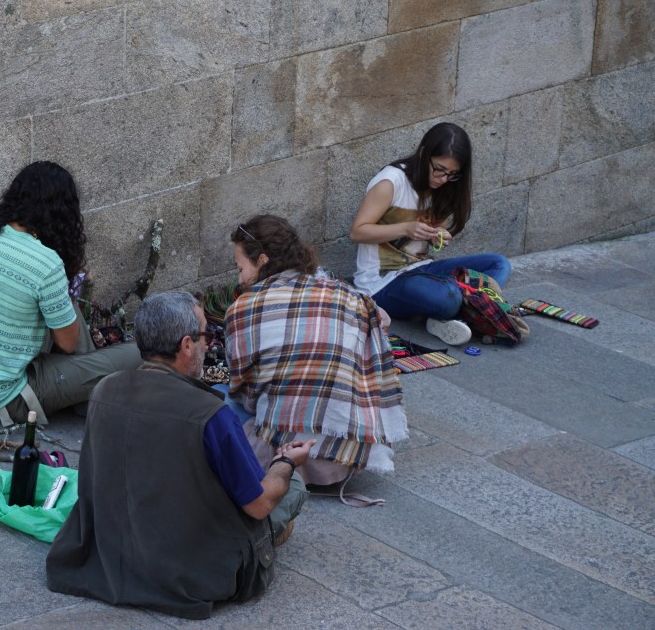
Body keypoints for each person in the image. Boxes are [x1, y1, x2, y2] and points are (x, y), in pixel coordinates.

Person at [46, 291, 313, 620]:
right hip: (187, 572)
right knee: (293, 486)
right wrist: (285, 464)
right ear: (186, 345)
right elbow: (257, 505)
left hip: (113, 552)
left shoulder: (104, 390)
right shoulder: (212, 414)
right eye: (204, 335)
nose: (208, 345)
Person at [0, 161, 140, 426]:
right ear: (63, 215)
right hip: (6, 402)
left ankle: (85, 394)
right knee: (142, 351)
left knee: (58, 317)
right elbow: (68, 343)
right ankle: (89, 395)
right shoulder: (45, 263)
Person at [225, 215, 407, 503]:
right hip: (347, 458)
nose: (239, 278)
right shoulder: (351, 296)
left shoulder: (245, 307)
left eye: (240, 267)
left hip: (283, 455)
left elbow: (244, 392)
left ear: (261, 260)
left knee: (219, 397)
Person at [350, 122, 511, 345]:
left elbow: (432, 238)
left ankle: (449, 315)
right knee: (449, 295)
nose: (443, 179)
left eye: (452, 174)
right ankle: (474, 308)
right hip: (381, 283)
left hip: (422, 269)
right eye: (439, 169)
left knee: (498, 264)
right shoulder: (391, 181)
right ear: (424, 154)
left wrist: (438, 236)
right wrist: (406, 228)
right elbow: (358, 232)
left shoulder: (444, 188)